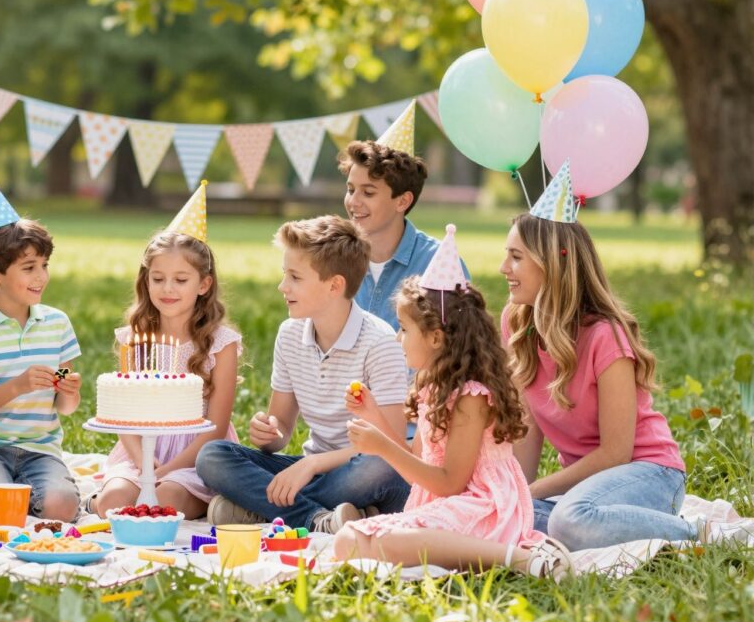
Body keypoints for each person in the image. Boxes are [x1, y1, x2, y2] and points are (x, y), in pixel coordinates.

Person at [500, 164, 723, 550]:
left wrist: (535, 490)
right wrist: (514, 495)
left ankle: (701, 534)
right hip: (589, 488)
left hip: (648, 474)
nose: (504, 268)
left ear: (552, 263)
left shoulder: (605, 336)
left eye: (516, 257)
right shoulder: (517, 323)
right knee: (501, 513)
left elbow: (616, 453)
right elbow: (527, 430)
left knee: (568, 521)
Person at [332, 235, 574, 579]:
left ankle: (521, 559)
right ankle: (489, 554)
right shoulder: (432, 389)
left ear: (435, 338)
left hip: (483, 508)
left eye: (404, 329)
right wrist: (374, 418)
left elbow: (450, 483)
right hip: (448, 505)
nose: (398, 339)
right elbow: (418, 463)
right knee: (347, 541)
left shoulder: (470, 396)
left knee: (363, 539)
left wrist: (381, 446)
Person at [196, 215, 410, 533]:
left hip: (360, 467)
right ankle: (320, 518)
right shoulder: (290, 334)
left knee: (377, 467)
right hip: (313, 471)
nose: (283, 286)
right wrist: (269, 432)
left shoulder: (380, 343)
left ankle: (263, 508)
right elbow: (280, 427)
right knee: (211, 456)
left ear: (335, 285)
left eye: (295, 277)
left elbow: (392, 446)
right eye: (285, 274)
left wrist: (312, 464)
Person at [92, 184, 241, 520]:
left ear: (203, 285)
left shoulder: (221, 343)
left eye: (180, 279)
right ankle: (98, 497)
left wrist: (165, 471)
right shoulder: (134, 339)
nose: (167, 289)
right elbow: (124, 414)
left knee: (164, 504)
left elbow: (216, 428)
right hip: (138, 448)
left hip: (195, 453)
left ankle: (214, 500)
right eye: (158, 278)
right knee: (113, 504)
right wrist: (144, 463)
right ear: (146, 281)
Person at [0, 170, 82, 522]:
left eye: (44, 265)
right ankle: (9, 497)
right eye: (28, 267)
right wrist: (17, 386)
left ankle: (28, 500)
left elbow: (66, 405)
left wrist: (68, 390)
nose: (41, 277)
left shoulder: (57, 324)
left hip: (40, 449)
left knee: (63, 508)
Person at [340, 101, 463, 330]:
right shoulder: (333, 258)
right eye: (350, 190)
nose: (353, 202)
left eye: (368, 192)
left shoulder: (437, 262)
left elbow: (458, 347)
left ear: (403, 200)